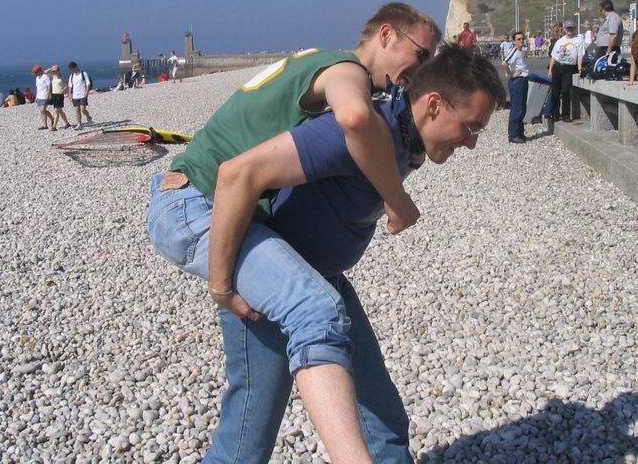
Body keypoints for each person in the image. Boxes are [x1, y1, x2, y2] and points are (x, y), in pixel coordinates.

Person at [175, 47, 505, 464]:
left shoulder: (406, 140)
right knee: (247, 442)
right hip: (275, 290)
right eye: (470, 127)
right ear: (434, 104)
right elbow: (241, 172)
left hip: (324, 279)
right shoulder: (359, 133)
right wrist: (222, 285)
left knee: (382, 420)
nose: (472, 143)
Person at [147, 2, 441, 464]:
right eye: (421, 54)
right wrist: (397, 199)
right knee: (313, 310)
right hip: (196, 203)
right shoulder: (346, 71)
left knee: (360, 405)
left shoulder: (326, 68)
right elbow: (355, 119)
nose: (421, 70)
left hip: (235, 215)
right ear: (386, 35)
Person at [548, 20, 585, 122]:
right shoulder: (560, 41)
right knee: (555, 91)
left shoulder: (579, 40)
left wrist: (580, 68)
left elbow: (580, 55)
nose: (570, 30)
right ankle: (555, 114)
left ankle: (566, 114)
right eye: (568, 28)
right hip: (558, 66)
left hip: (569, 67)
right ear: (564, 29)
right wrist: (550, 70)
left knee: (565, 91)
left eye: (571, 28)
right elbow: (554, 56)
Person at [501, 31, 528, 144]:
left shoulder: (521, 51)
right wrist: (511, 73)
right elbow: (504, 63)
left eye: (522, 39)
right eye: (518, 39)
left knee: (522, 107)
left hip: (523, 80)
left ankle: (520, 132)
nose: (521, 41)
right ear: (514, 41)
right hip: (517, 81)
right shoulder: (514, 51)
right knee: (517, 108)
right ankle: (513, 134)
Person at [67, 61, 93, 130]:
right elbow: (70, 86)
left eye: (72, 69)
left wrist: (86, 92)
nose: (72, 70)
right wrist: (70, 94)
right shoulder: (71, 76)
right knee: (77, 110)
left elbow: (88, 83)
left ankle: (88, 116)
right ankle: (79, 124)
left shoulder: (83, 73)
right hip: (75, 95)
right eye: (71, 69)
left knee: (83, 109)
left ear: (76, 67)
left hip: (83, 94)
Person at [46, 65, 72, 131]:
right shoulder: (53, 76)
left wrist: (64, 90)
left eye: (55, 71)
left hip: (60, 95)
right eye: (53, 71)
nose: (54, 72)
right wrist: (51, 68)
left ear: (58, 70)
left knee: (56, 111)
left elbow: (68, 85)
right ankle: (67, 123)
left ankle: (54, 127)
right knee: (60, 111)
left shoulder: (62, 77)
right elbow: (45, 72)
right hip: (54, 95)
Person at [32, 65, 54, 130]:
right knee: (41, 111)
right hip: (39, 96)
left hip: (45, 96)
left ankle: (52, 118)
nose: (35, 73)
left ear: (40, 71)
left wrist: (48, 95)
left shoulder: (45, 77)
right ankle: (45, 125)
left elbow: (49, 86)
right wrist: (36, 96)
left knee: (43, 110)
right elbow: (37, 88)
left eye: (36, 72)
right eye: (35, 72)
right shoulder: (37, 78)